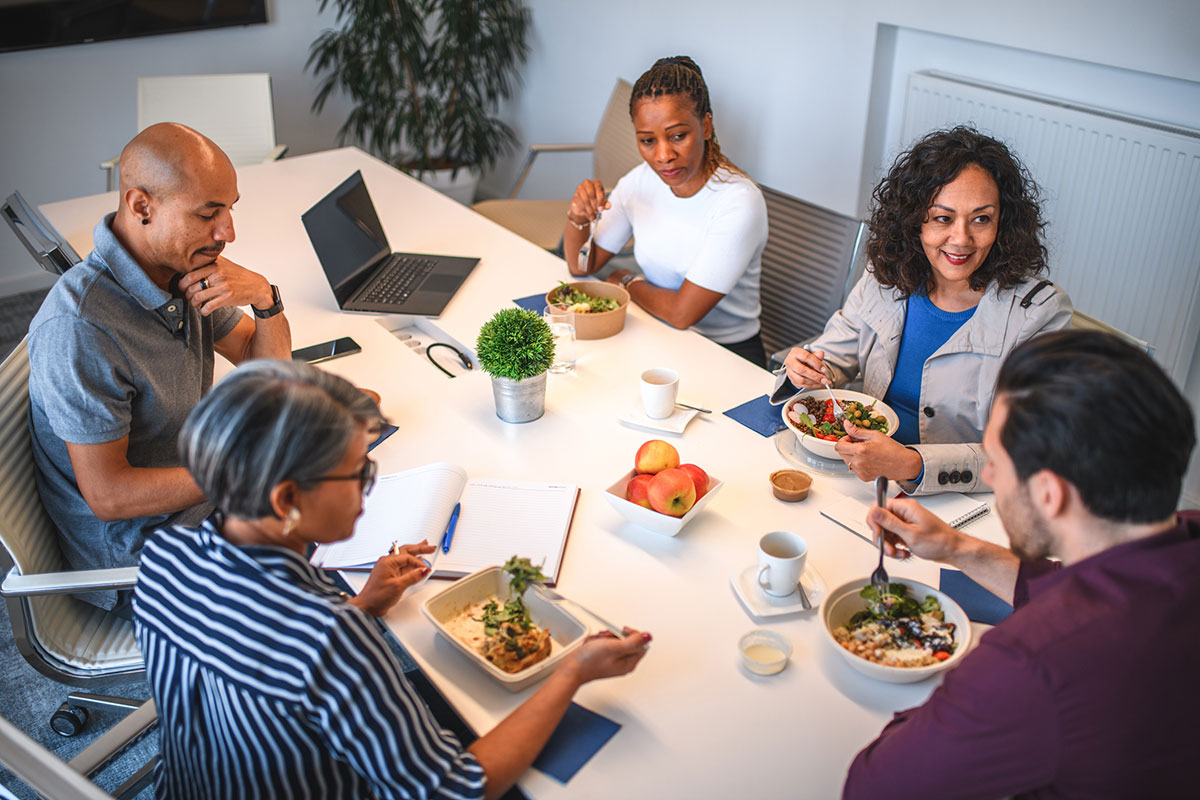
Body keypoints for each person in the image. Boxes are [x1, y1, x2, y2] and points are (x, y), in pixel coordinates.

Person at [133, 359, 650, 800]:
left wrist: (363, 605)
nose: (368, 487)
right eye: (358, 472)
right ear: (287, 500)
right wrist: (572, 672)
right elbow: (457, 789)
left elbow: (255, 656)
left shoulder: (163, 555)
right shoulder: (329, 638)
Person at [843, 330, 1198, 799]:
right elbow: (1098, 591)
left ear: (1050, 495)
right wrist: (956, 547)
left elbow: (872, 787)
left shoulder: (1029, 666)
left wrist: (950, 700)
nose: (988, 475)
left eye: (997, 462)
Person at [27, 123, 291, 611]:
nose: (228, 234)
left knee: (358, 485)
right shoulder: (82, 328)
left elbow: (268, 373)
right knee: (336, 549)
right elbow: (110, 496)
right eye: (208, 214)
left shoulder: (178, 268)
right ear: (142, 206)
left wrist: (265, 300)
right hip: (145, 562)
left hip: (201, 510)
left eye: (230, 210)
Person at [781, 126, 1072, 493]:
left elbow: (1029, 454)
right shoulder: (886, 275)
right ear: (913, 220)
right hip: (862, 481)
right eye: (942, 218)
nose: (961, 239)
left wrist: (912, 464)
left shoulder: (1040, 314)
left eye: (981, 219)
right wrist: (804, 370)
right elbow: (832, 361)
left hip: (965, 504)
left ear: (1004, 223)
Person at [564, 56, 769, 366]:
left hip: (726, 356)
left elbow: (681, 313)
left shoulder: (739, 201)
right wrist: (579, 218)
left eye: (677, 136)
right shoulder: (640, 182)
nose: (663, 156)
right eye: (647, 140)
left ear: (706, 125)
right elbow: (583, 265)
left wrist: (627, 282)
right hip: (656, 332)